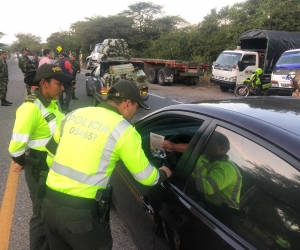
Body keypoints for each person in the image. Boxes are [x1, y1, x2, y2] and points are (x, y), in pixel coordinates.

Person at [41, 79, 172, 250]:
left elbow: (50, 157)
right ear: (127, 103)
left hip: (49, 204)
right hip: (82, 215)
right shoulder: (124, 130)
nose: (135, 112)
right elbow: (146, 177)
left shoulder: (74, 114)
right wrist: (164, 172)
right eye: (136, 107)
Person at [8, 64, 74, 250]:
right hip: (39, 169)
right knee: (40, 213)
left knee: (50, 211)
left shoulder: (51, 103)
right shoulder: (30, 109)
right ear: (44, 83)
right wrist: (29, 162)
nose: (62, 89)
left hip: (50, 166)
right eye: (59, 84)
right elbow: (15, 150)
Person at [162, 131, 242, 220]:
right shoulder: (207, 158)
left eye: (209, 141)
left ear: (222, 149)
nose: (205, 143)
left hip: (223, 215)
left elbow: (207, 187)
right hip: (204, 204)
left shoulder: (227, 167)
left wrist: (174, 175)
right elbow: (193, 150)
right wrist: (174, 147)